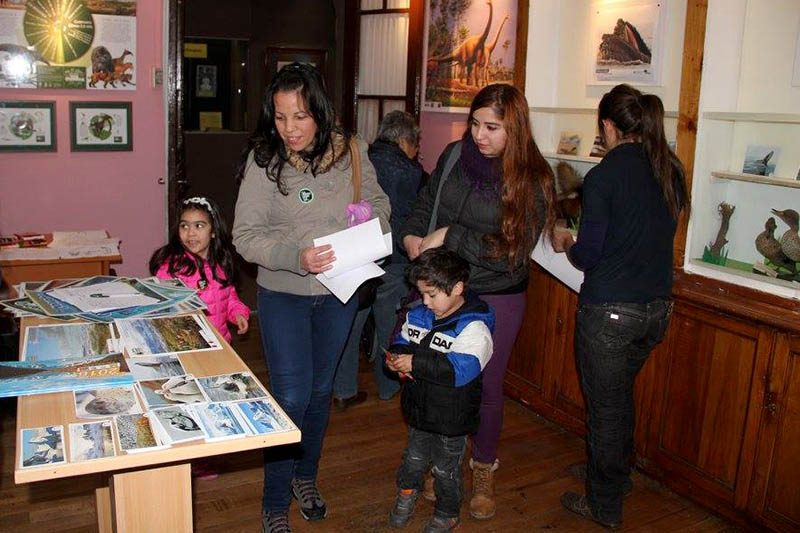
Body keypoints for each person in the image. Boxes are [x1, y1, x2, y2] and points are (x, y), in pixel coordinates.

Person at [232, 62, 390, 533]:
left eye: (299, 116)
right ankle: (274, 500)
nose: (289, 129)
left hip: (341, 293)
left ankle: (306, 477)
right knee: (291, 395)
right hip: (284, 295)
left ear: (319, 111)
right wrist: (294, 256)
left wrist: (368, 215)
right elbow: (244, 236)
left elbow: (382, 208)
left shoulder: (354, 153)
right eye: (280, 117)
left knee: (320, 393)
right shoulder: (264, 161)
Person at [400, 83, 556, 519]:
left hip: (497, 294)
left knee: (486, 384)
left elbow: (512, 253)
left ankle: (483, 467)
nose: (479, 135)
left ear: (517, 129)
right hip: (443, 289)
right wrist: (411, 235)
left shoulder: (533, 178)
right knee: (436, 377)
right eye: (475, 123)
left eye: (492, 127)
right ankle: (439, 461)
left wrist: (451, 236)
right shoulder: (453, 156)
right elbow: (424, 205)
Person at [551, 84, 690, 529]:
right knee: (618, 399)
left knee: (605, 410)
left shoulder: (605, 176)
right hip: (656, 312)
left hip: (610, 312)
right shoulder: (670, 169)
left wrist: (567, 243)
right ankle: (611, 474)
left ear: (608, 127)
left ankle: (604, 502)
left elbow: (589, 255)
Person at [385, 248, 494, 532]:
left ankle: (447, 512)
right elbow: (401, 341)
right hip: (420, 410)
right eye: (421, 294)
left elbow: (460, 371)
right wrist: (395, 360)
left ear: (457, 288)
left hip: (452, 417)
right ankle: (407, 494)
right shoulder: (419, 315)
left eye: (432, 295)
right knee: (413, 459)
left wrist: (415, 363)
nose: (425, 301)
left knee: (446, 469)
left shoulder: (474, 327)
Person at [333, 110, 426, 408]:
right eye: (416, 143)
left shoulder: (361, 158)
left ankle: (344, 390)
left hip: (359, 254)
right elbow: (413, 218)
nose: (418, 150)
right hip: (394, 257)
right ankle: (387, 387)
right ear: (404, 140)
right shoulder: (412, 173)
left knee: (352, 323)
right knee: (389, 324)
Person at [149, 196, 250, 344]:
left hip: (220, 343)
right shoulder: (171, 269)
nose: (190, 233)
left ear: (214, 231)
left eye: (199, 226)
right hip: (187, 345)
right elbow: (162, 309)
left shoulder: (221, 265)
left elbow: (229, 299)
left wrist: (239, 314)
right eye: (184, 226)